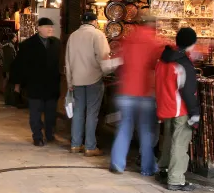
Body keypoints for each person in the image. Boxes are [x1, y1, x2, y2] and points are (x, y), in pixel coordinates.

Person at [110, 15, 166, 175]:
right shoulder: (154, 41)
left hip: (125, 91)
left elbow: (118, 61)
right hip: (144, 92)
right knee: (146, 131)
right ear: (153, 25)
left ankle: (117, 163)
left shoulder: (127, 39)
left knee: (124, 127)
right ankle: (148, 167)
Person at [155, 28, 200, 191]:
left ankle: (164, 169)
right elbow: (187, 90)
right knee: (180, 142)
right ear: (191, 43)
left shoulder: (163, 59)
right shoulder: (183, 63)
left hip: (165, 105)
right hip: (179, 107)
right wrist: (194, 113)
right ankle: (175, 179)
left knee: (168, 139)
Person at [65, 12, 112, 156]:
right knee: (92, 113)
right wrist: (107, 71)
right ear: (95, 21)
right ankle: (90, 146)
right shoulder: (97, 35)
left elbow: (67, 60)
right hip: (93, 79)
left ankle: (75, 144)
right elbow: (103, 56)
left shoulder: (72, 36)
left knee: (78, 112)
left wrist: (69, 81)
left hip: (76, 80)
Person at [11, 18, 61, 147]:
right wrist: (17, 84)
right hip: (35, 85)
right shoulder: (28, 44)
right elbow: (19, 65)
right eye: (47, 26)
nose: (51, 29)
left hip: (52, 85)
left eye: (52, 27)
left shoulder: (56, 43)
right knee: (35, 113)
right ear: (38, 28)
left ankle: (50, 134)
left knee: (51, 113)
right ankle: (37, 136)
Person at [0, 33, 18, 106]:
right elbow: (11, 59)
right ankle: (10, 101)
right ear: (13, 38)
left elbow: (0, 57)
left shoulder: (5, 45)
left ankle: (7, 100)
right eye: (16, 37)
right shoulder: (10, 46)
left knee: (8, 84)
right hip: (10, 68)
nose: (16, 39)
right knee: (11, 84)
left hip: (5, 67)